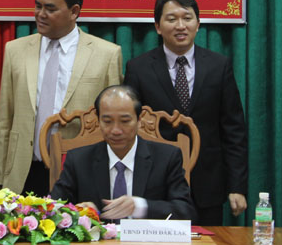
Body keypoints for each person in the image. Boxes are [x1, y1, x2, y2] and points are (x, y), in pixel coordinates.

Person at [123, 0, 248, 225]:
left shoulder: (219, 66)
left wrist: (237, 187)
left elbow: (234, 131)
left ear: (198, 24)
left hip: (208, 185)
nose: (180, 26)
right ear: (158, 27)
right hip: (155, 185)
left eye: (187, 18)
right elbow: (129, 128)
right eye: (171, 19)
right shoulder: (138, 69)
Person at [0, 0, 123, 195]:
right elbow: (5, 120)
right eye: (38, 6)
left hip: (79, 173)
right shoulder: (15, 50)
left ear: (74, 12)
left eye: (50, 9)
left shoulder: (106, 54)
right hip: (23, 173)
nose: (40, 14)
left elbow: (113, 123)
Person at [52, 85, 196, 221]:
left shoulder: (166, 157)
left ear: (139, 119)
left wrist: (140, 206)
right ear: (98, 120)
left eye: (125, 121)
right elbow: (51, 209)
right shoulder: (78, 160)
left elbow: (185, 212)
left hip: (145, 239)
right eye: (107, 121)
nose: (116, 130)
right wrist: (76, 211)